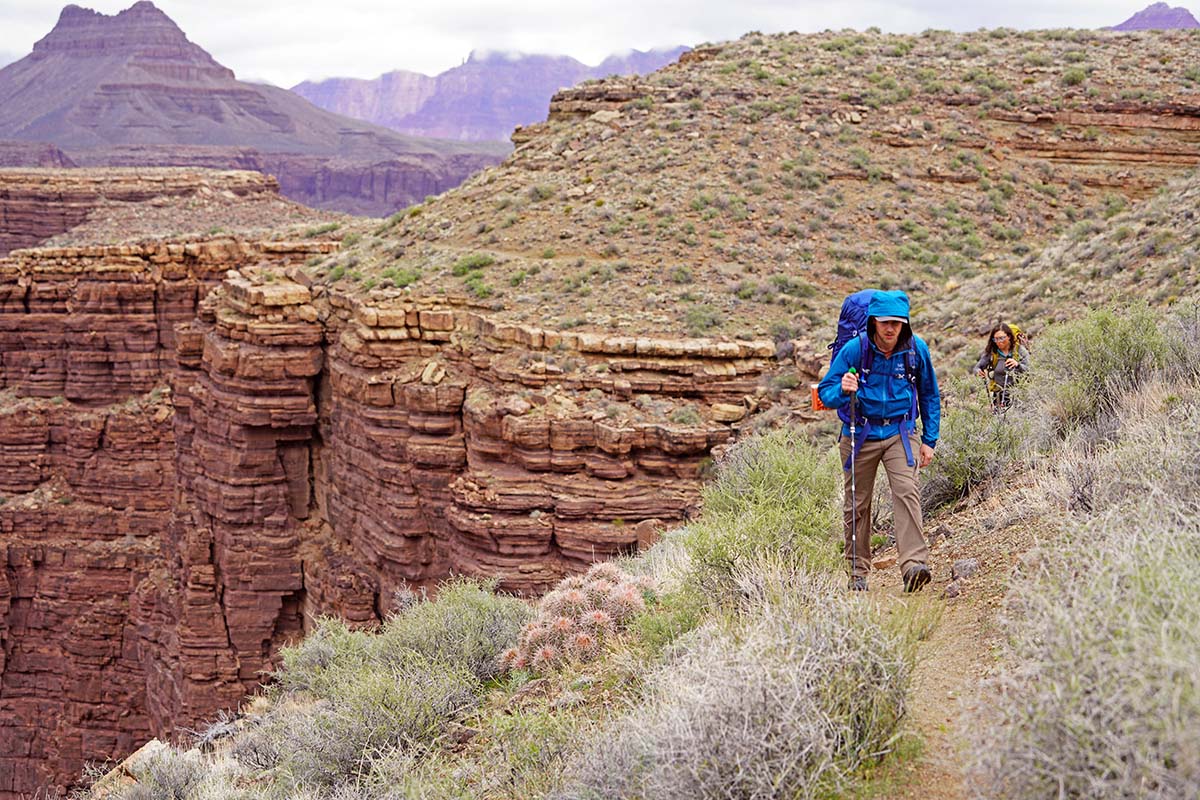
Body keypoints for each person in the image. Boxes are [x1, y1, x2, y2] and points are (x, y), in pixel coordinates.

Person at [818, 290, 941, 592]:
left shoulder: (916, 350)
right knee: (857, 503)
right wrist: (842, 389)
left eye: (897, 323)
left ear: (905, 324)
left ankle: (914, 565)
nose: (890, 329)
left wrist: (929, 440)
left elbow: (929, 394)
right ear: (873, 322)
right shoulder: (854, 349)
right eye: (885, 322)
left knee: (907, 492)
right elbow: (825, 392)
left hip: (901, 432)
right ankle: (857, 572)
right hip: (860, 434)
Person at [974, 323, 1028, 411]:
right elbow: (977, 367)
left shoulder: (1020, 351)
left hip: (1020, 397)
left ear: (1009, 336)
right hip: (999, 398)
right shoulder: (992, 353)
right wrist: (978, 371)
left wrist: (1018, 365)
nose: (999, 341)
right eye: (995, 339)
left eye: (1002, 338)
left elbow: (1030, 371)